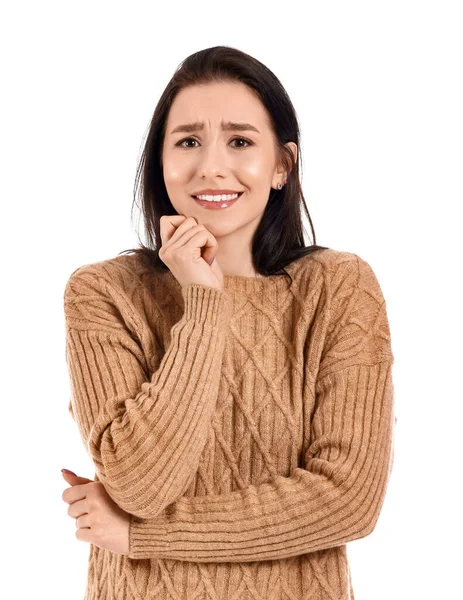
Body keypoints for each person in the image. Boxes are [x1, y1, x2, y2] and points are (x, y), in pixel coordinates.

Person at [62, 45, 395, 600]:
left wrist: (144, 536)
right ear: (160, 161)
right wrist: (204, 301)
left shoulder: (339, 288)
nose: (211, 165)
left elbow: (348, 500)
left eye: (240, 142)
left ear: (282, 165)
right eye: (188, 141)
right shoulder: (103, 293)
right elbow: (141, 484)